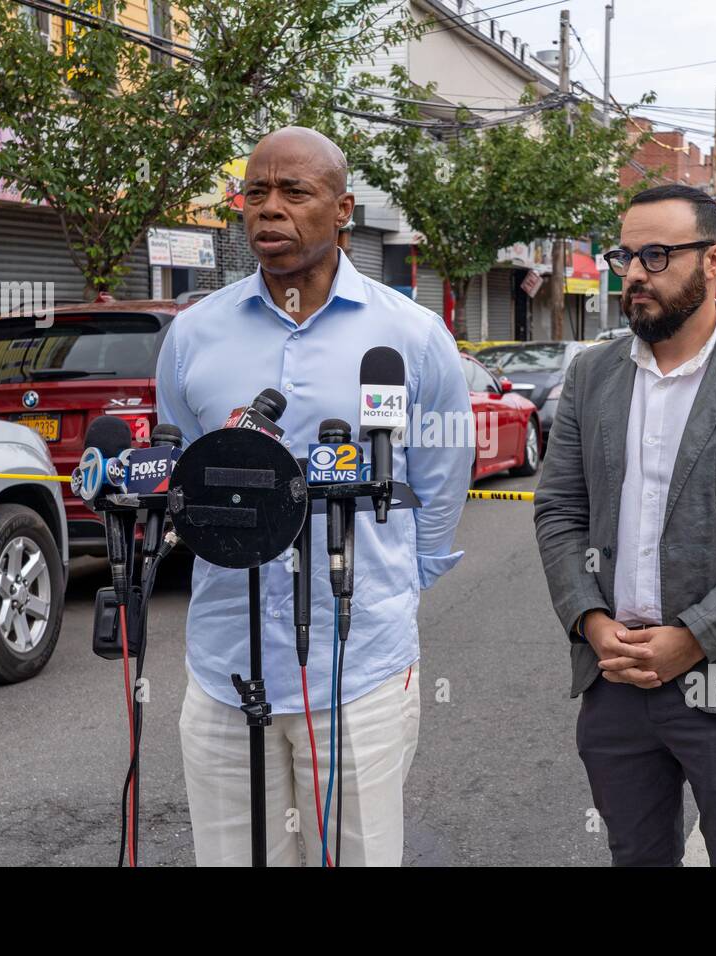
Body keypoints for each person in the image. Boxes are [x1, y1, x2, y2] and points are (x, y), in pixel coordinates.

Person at [156, 126, 473, 866]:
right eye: (255, 192)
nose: (269, 208)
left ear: (343, 211)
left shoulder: (412, 337)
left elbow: (439, 480)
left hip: (358, 664)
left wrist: (393, 590)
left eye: (294, 192)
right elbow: (183, 468)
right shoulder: (193, 334)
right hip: (224, 661)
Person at [533, 183, 716, 866]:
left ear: (713, 260)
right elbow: (559, 511)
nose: (635, 274)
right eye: (626, 256)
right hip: (614, 681)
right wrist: (591, 620)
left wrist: (693, 638)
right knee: (635, 856)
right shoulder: (592, 377)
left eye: (658, 256)